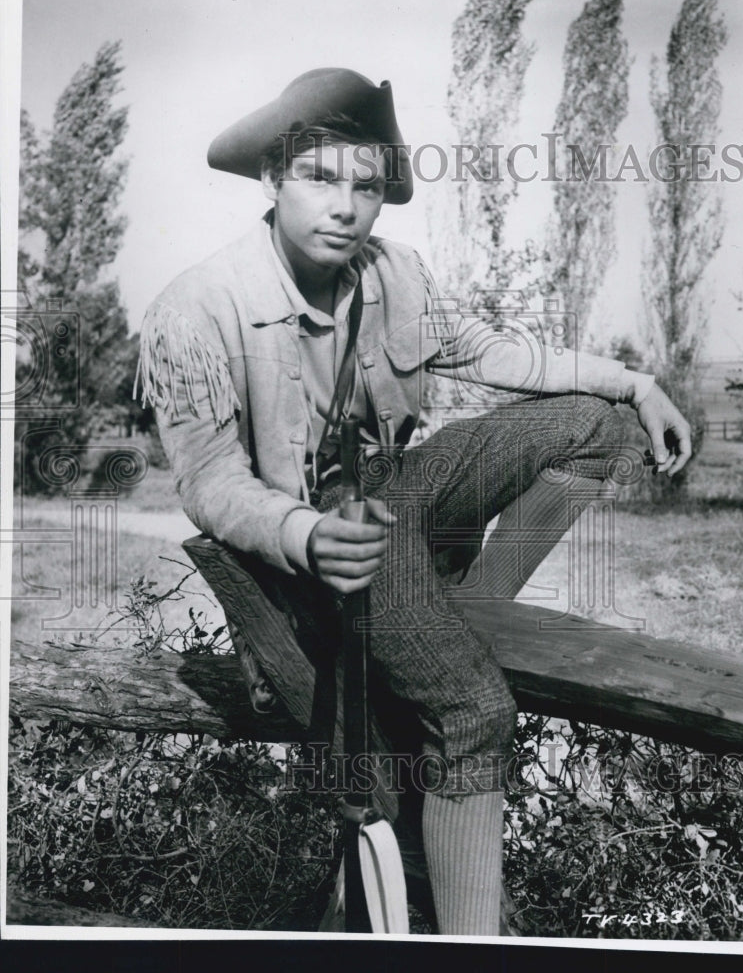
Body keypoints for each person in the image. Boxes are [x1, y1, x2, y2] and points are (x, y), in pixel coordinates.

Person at [136, 68, 692, 936]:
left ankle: (460, 617)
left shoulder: (395, 273)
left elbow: (495, 352)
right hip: (315, 544)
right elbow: (209, 478)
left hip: (395, 499)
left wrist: (638, 381)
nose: (346, 206)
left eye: (365, 185)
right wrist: (304, 534)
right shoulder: (195, 308)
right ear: (271, 181)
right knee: (474, 711)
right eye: (320, 177)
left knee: (597, 424)